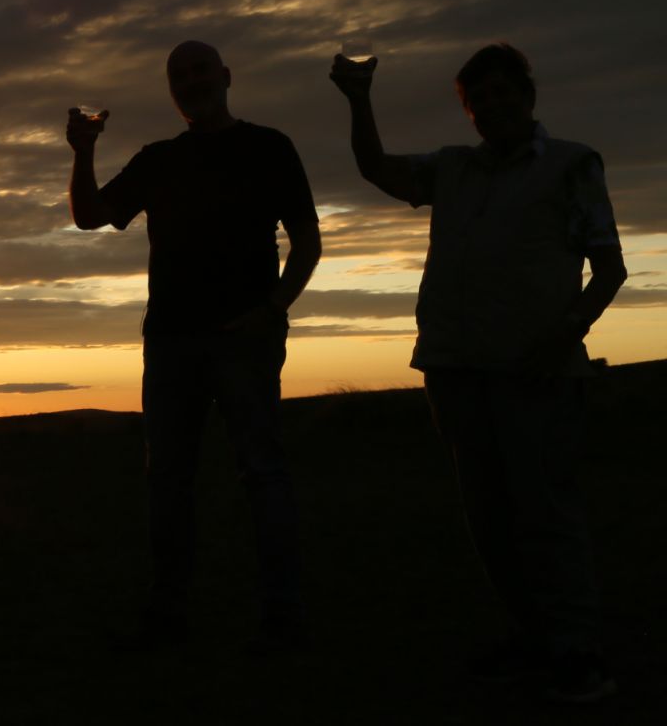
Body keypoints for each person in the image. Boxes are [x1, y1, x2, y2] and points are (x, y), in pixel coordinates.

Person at [330, 43, 627, 704]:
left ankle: (579, 650)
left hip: (536, 376)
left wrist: (566, 333)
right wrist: (358, 99)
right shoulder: (454, 169)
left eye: (502, 91)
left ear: (527, 94)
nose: (492, 104)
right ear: (467, 108)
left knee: (546, 512)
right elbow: (377, 168)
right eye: (478, 97)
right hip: (456, 368)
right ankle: (532, 637)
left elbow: (609, 268)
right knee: (489, 517)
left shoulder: (572, 165)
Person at [68, 40, 322, 651]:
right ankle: (169, 609)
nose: (190, 82)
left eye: (199, 70)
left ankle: (282, 613)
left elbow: (307, 241)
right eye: (179, 75)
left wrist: (272, 311)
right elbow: (91, 215)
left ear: (226, 76)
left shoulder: (269, 147)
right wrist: (83, 152)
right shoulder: (158, 160)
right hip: (173, 340)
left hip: (245, 339)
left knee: (261, 474)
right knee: (170, 480)